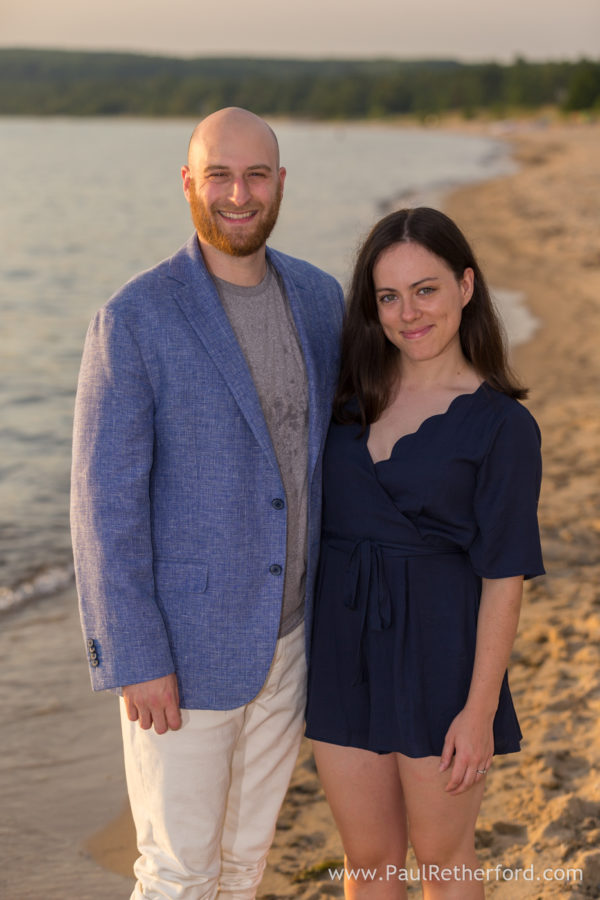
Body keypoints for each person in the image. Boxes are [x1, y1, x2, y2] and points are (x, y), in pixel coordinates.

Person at [70, 107, 345, 899]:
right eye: (218, 174)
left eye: (256, 175)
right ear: (188, 182)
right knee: (178, 873)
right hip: (181, 664)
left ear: (281, 184)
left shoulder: (321, 301)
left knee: (243, 865)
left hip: (290, 641)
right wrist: (136, 659)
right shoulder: (133, 319)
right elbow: (102, 507)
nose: (238, 193)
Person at [305, 207, 544, 899]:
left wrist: (477, 712)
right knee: (369, 863)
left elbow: (505, 576)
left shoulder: (502, 425)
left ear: (466, 286)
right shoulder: (345, 403)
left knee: (443, 861)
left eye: (426, 289)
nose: (408, 313)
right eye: (388, 296)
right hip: (343, 654)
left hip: (442, 660)